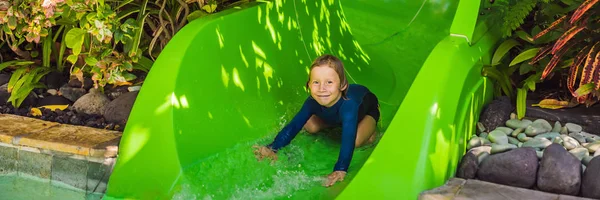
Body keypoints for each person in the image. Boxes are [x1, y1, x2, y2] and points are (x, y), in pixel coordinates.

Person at [252, 54, 381, 187]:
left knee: (357, 141)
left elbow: (348, 138)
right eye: (316, 82)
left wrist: (340, 169)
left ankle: (370, 131)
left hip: (367, 111)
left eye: (329, 82)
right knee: (310, 126)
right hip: (337, 116)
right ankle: (334, 124)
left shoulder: (349, 106)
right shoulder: (312, 102)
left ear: (342, 85)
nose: (321, 88)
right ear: (308, 85)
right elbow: (294, 126)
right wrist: (273, 148)